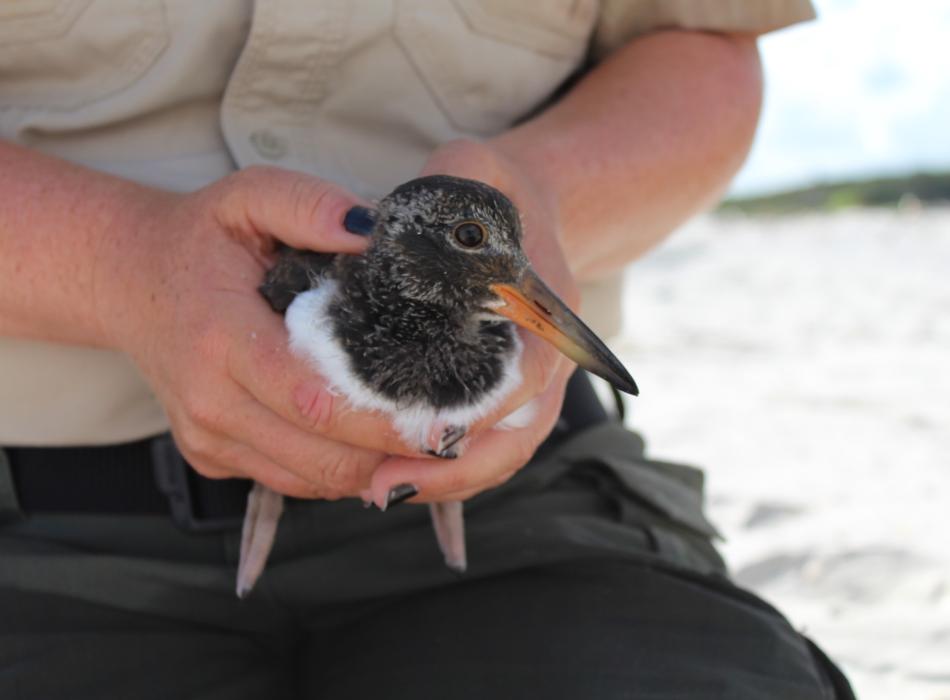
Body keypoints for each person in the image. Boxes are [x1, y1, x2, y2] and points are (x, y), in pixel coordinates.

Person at [0, 1, 855, 698]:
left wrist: (546, 195)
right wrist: (120, 263)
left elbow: (706, 44)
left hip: (520, 505)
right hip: (37, 527)